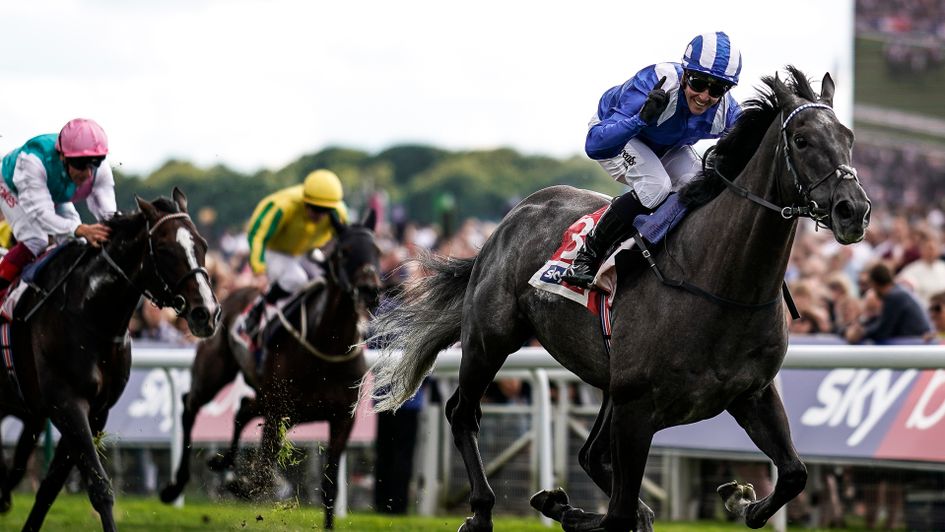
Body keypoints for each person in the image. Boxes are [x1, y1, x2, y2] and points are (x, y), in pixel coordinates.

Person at [563, 31, 743, 288]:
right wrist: (639, 121)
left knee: (699, 185)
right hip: (621, 134)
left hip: (668, 146)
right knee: (655, 186)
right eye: (699, 83)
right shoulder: (655, 81)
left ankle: (659, 244)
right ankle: (588, 255)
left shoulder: (727, 111)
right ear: (685, 74)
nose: (705, 96)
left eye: (717, 88)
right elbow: (594, 145)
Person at [0, 118, 115, 290]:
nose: (88, 173)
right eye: (81, 164)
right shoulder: (33, 162)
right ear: (62, 156)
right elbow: (41, 213)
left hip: (51, 192)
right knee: (36, 240)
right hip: (11, 186)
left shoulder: (101, 171)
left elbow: (110, 217)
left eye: (95, 162)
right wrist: (80, 229)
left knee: (76, 242)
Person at [238, 169, 349, 347]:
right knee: (296, 278)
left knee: (329, 280)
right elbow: (256, 235)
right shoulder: (282, 206)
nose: (320, 216)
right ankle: (255, 313)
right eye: (315, 209)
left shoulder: (339, 213)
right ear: (305, 201)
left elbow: (346, 241)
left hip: (305, 251)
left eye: (325, 211)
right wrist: (259, 270)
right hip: (275, 250)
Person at [844, 262, 932, 344]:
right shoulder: (899, 292)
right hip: (914, 341)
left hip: (914, 343)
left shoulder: (895, 296)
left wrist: (862, 332)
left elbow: (883, 331)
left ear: (874, 283)